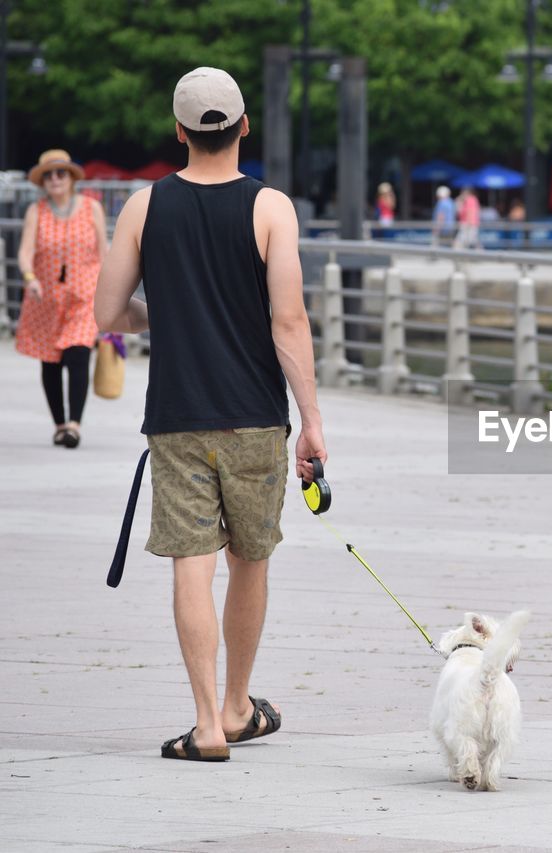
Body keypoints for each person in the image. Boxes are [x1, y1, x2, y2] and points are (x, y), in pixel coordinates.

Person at [94, 66, 327, 762]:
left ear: (179, 131)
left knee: (190, 564)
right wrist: (311, 419)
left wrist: (164, 317)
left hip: (176, 414)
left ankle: (204, 724)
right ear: (243, 127)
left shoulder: (143, 208)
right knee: (249, 560)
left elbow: (107, 313)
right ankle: (238, 703)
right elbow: (289, 322)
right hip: (256, 413)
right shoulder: (272, 209)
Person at [16, 149, 108, 449]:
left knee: (78, 353)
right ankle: (59, 424)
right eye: (49, 175)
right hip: (46, 299)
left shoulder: (91, 207)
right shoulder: (36, 211)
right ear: (43, 182)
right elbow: (26, 251)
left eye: (61, 173)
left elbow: (104, 251)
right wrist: (29, 278)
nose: (55, 179)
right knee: (51, 362)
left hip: (84, 296)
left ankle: (74, 425)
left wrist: (112, 289)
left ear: (71, 178)